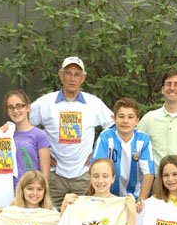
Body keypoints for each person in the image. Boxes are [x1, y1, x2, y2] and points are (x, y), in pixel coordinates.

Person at [29, 56, 114, 208]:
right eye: (68, 73)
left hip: (84, 176)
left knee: (84, 221)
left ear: (83, 78)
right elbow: (25, 126)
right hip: (54, 176)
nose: (72, 78)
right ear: (61, 75)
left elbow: (114, 127)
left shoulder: (93, 103)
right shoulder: (46, 103)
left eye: (77, 74)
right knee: (52, 219)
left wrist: (98, 153)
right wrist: (41, 154)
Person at [92, 97, 155, 201]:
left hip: (134, 197)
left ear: (137, 121)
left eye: (130, 117)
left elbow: (148, 173)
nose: (125, 121)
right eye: (121, 116)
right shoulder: (105, 137)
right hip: (107, 197)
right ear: (114, 119)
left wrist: (141, 200)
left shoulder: (143, 140)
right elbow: (97, 168)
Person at [0, 89, 51, 189]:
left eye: (19, 106)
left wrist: (41, 193)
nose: (15, 111)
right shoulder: (5, 135)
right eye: (11, 107)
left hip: (31, 192)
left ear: (27, 108)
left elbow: (45, 174)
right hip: (9, 191)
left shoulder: (39, 135)